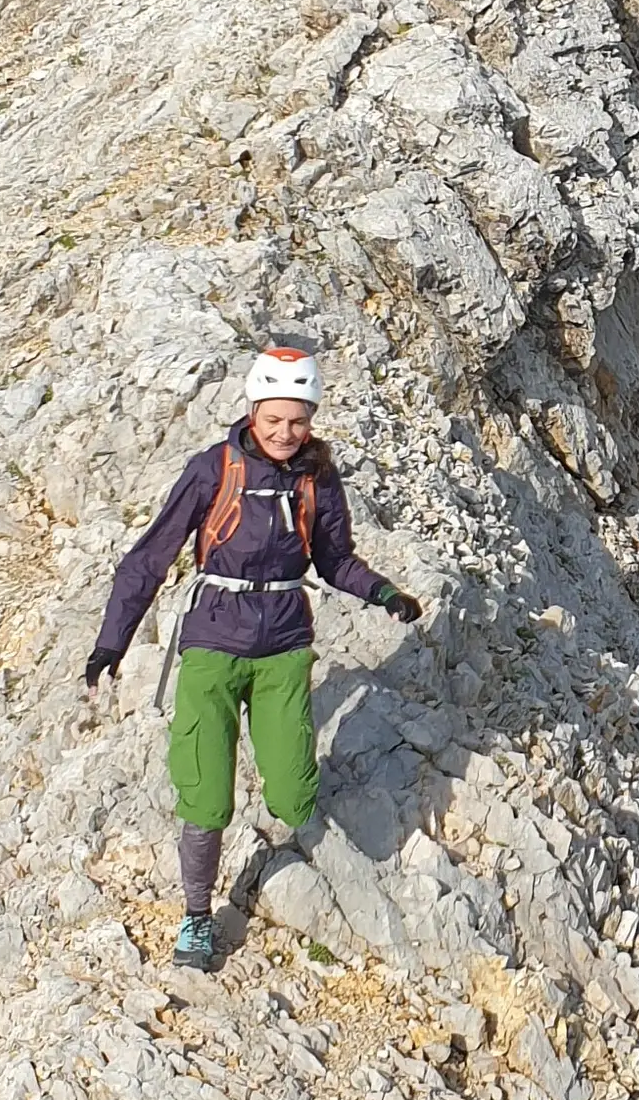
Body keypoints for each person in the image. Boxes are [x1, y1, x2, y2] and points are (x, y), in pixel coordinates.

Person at [83, 338, 422, 964]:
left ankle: (278, 826)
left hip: (285, 645)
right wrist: (113, 643)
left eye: (298, 420)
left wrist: (382, 592)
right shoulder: (213, 470)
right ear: (252, 408)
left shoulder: (317, 478)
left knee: (293, 796)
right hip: (214, 641)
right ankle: (196, 916)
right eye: (274, 419)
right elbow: (148, 560)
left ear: (312, 417)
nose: (286, 432)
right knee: (207, 797)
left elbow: (334, 560)